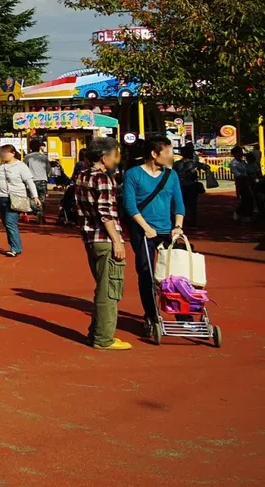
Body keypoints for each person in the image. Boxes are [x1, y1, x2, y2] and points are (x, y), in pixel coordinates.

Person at [122, 134, 185, 340]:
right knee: (146, 273)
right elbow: (130, 205)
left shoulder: (171, 175)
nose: (172, 156)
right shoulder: (133, 174)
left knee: (177, 273)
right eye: (168, 152)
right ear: (154, 153)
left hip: (168, 230)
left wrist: (178, 226)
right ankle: (151, 315)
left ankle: (183, 315)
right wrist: (146, 227)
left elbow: (179, 204)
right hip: (143, 231)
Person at [74, 139, 130, 349]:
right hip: (104, 238)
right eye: (115, 155)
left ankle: (97, 333)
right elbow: (106, 214)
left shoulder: (82, 176)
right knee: (109, 290)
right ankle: (103, 338)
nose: (117, 159)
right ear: (104, 157)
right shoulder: (102, 179)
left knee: (102, 286)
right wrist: (117, 240)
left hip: (90, 237)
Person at [0, 144, 41, 257]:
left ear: (12, 153)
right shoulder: (0, 167)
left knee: (10, 222)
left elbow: (29, 182)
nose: (2, 156)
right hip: (1, 197)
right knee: (6, 222)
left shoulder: (21, 166)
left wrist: (35, 196)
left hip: (15, 197)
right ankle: (15, 245)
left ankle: (15, 248)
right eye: (1, 153)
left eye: (5, 153)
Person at [174, 144, 205, 232]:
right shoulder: (195, 163)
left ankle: (181, 221)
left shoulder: (177, 164)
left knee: (180, 203)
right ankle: (192, 221)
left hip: (180, 185)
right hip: (191, 185)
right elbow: (206, 167)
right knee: (192, 204)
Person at [23, 138, 51, 221]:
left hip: (31, 180)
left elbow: (24, 168)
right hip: (43, 180)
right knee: (42, 199)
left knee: (32, 198)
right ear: (39, 147)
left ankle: (37, 211)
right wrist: (46, 175)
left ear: (30, 147)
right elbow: (48, 168)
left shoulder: (27, 157)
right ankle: (41, 214)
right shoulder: (44, 157)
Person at [229, 145, 255, 221]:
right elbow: (237, 174)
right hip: (241, 182)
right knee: (245, 198)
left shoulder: (243, 162)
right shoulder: (233, 163)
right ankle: (241, 214)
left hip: (248, 181)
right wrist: (245, 177)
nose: (241, 154)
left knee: (250, 198)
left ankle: (247, 214)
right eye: (239, 152)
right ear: (235, 154)